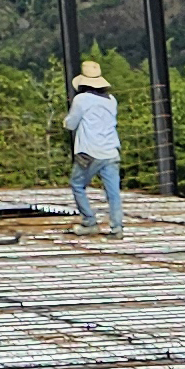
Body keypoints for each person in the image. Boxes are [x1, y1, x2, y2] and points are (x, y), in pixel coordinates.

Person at [65, 60, 123, 238]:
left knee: (77, 184)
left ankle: (89, 221)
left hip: (89, 151)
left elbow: (71, 123)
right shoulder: (111, 100)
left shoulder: (81, 99)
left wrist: (65, 122)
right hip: (111, 151)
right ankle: (117, 228)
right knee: (113, 192)